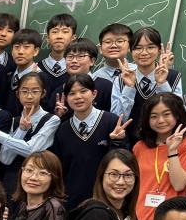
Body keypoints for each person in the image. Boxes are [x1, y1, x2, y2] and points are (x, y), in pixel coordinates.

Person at [50, 72, 132, 209]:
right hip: (72, 202)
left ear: (94, 93)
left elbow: (123, 163)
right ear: (66, 98)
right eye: (72, 93)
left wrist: (117, 142)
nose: (78, 97)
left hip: (106, 199)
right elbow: (59, 168)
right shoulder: (63, 129)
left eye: (83, 91)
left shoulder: (111, 122)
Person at [132, 93, 186, 220]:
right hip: (138, 216)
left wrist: (172, 150)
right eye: (154, 116)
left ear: (177, 115)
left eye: (166, 114)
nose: (160, 120)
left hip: (170, 218)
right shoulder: (139, 147)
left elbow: (179, 185)